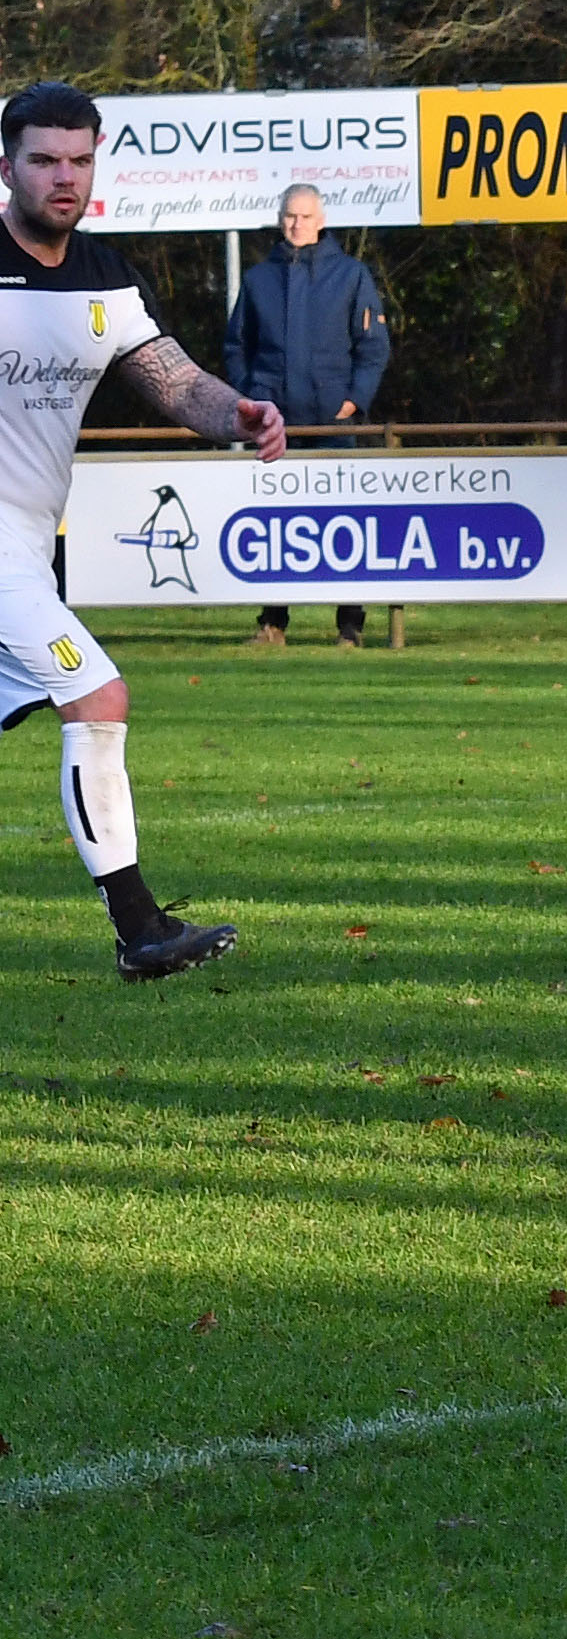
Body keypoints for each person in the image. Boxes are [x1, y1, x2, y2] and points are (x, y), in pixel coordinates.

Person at [0, 87, 279, 978]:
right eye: (44, 159)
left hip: (27, 545)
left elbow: (171, 379)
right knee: (100, 697)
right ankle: (141, 929)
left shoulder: (108, 279)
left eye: (79, 160)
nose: (63, 177)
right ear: (6, 165)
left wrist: (235, 413)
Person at [225, 180, 389, 649]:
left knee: (345, 523)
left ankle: (350, 626)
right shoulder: (258, 280)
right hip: (275, 423)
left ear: (321, 221)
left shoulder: (352, 275)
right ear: (281, 221)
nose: (296, 224)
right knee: (275, 521)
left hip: (332, 422)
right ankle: (273, 622)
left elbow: (373, 348)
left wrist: (354, 400)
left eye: (304, 216)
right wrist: (252, 397)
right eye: (289, 216)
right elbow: (237, 347)